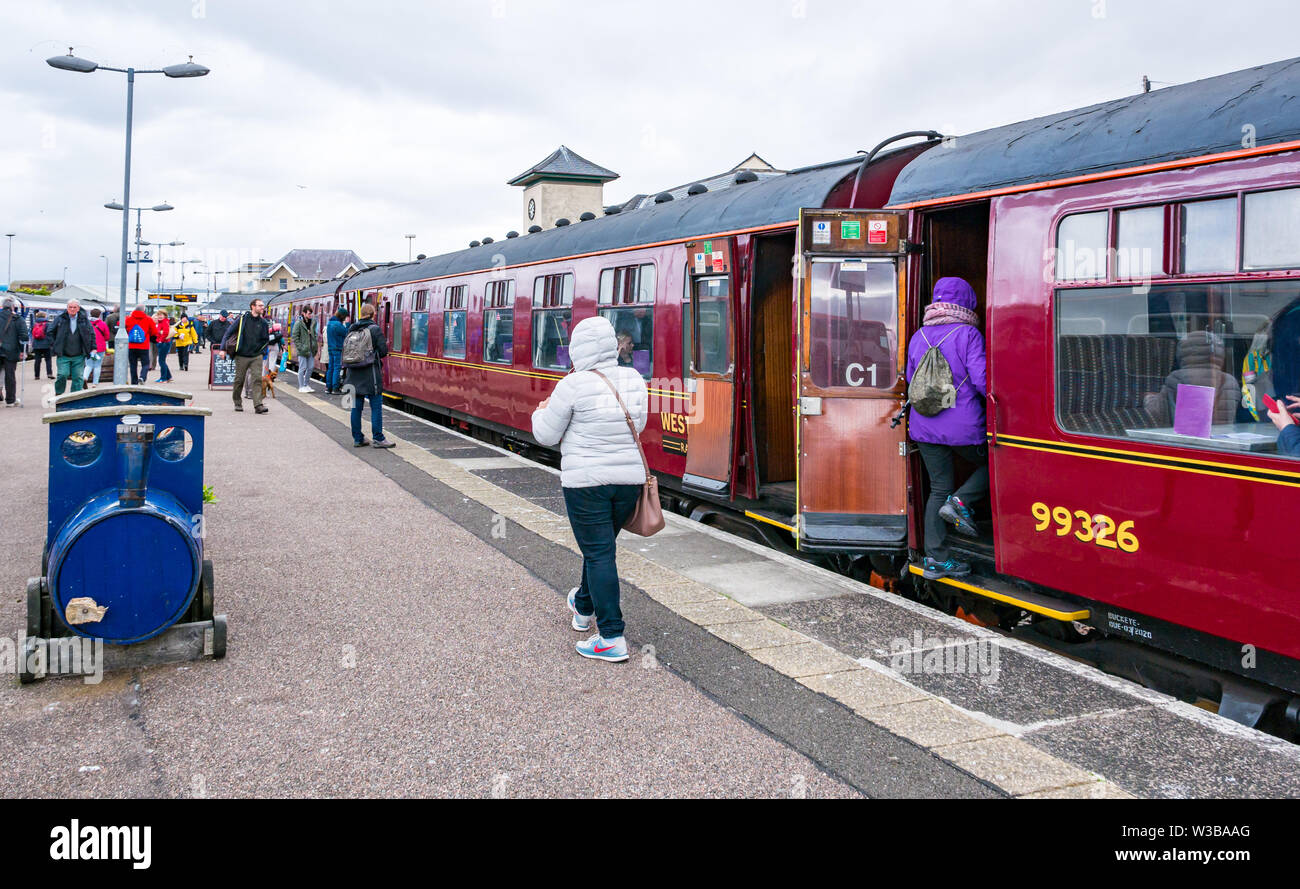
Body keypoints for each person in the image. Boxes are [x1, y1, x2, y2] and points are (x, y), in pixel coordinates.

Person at [532, 316, 648, 663]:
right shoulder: (634, 378)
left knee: (599, 554)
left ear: (577, 348)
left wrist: (540, 413)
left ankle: (611, 636)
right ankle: (582, 607)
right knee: (601, 549)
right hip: (628, 483)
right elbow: (637, 425)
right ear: (612, 344)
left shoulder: (573, 384)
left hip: (587, 485)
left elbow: (546, 436)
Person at [905, 277, 989, 581]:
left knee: (939, 487)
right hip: (962, 426)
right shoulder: (969, 334)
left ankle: (936, 560)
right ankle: (961, 501)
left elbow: (911, 378)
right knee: (998, 465)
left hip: (924, 425)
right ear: (968, 302)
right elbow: (981, 381)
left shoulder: (919, 335)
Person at [342, 303, 394, 447]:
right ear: (373, 314)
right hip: (370, 374)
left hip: (352, 373)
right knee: (376, 406)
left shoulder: (351, 329)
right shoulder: (375, 329)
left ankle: (358, 438)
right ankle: (378, 438)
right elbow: (383, 351)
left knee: (355, 408)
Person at [220, 297, 271, 413]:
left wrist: (262, 351)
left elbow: (265, 339)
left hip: (256, 355)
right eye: (260, 305)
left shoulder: (263, 322)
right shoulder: (242, 319)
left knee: (257, 379)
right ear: (253, 306)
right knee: (239, 380)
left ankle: (258, 405)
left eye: (263, 306)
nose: (262, 307)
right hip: (242, 355)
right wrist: (222, 349)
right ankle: (237, 402)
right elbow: (228, 333)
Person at [47, 298, 95, 396]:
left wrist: (93, 347)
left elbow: (92, 334)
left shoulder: (84, 320)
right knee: (62, 375)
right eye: (70, 307)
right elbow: (49, 332)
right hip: (63, 354)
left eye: (74, 307)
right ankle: (59, 394)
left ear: (78, 308)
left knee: (78, 377)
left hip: (79, 354)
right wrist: (54, 345)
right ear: (67, 308)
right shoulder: (60, 319)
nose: (72, 309)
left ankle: (74, 397)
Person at [0, 297, 29, 406]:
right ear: (13, 306)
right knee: (10, 376)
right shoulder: (17, 319)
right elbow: (24, 336)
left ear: (2, 306)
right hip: (11, 351)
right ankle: (10, 401)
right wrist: (23, 351)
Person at [124, 304, 156, 385]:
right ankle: (142, 377)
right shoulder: (148, 319)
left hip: (131, 346)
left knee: (133, 365)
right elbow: (154, 332)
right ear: (143, 310)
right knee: (145, 364)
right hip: (144, 346)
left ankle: (134, 382)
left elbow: (122, 327)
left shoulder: (128, 319)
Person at [291, 305, 318, 393]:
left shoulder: (313, 322)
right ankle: (301, 386)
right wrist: (300, 347)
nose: (310, 315)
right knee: (302, 368)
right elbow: (295, 336)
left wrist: (315, 342)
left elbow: (315, 333)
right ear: (304, 313)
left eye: (311, 314)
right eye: (309, 314)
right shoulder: (298, 323)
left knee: (310, 367)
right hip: (303, 349)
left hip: (311, 348)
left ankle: (306, 384)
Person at [82, 307, 110, 387]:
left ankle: (85, 377)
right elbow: (107, 337)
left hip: (89, 348)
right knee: (97, 365)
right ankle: (95, 383)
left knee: (89, 364)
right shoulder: (102, 324)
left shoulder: (86, 323)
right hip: (100, 348)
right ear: (99, 315)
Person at [325, 308, 350, 394]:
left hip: (330, 348)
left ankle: (328, 388)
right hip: (337, 348)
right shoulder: (338, 325)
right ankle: (335, 388)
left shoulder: (330, 323)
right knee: (337, 368)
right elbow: (346, 333)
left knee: (330, 368)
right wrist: (347, 324)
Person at [152, 310, 173, 383]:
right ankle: (169, 377)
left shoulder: (164, 322)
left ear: (165, 315)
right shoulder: (162, 322)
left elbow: (165, 333)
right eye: (158, 315)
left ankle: (163, 378)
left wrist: (160, 340)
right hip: (163, 343)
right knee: (162, 361)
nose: (160, 316)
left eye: (161, 315)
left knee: (161, 361)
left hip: (164, 343)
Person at [30, 311, 52, 379]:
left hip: (36, 345)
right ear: (45, 316)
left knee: (37, 360)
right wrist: (51, 343)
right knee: (48, 359)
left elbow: (32, 333)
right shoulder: (48, 324)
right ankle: (49, 374)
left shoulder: (34, 324)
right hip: (46, 345)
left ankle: (37, 376)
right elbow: (50, 334)